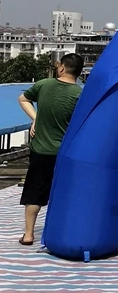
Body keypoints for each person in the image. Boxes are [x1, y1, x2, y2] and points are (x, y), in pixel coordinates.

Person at [16, 53, 84, 246]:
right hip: (65, 153)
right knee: (65, 192)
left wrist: (35, 118)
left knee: (35, 192)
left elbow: (23, 99)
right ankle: (63, 231)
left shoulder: (43, 85)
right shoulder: (80, 94)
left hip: (40, 150)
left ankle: (28, 234)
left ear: (62, 67)